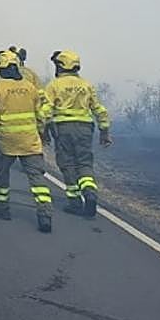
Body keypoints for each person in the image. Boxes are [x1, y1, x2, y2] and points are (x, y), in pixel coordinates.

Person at [0, 50, 53, 233]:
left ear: (1, 66)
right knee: (37, 178)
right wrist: (42, 133)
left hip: (5, 141)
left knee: (1, 175)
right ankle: (45, 215)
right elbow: (41, 115)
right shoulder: (30, 87)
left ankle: (2, 210)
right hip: (30, 141)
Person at [42, 50, 112, 217]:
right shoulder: (86, 85)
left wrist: (42, 131)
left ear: (61, 66)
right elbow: (99, 109)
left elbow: (45, 111)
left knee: (67, 164)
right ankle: (90, 192)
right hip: (85, 129)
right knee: (84, 163)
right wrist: (105, 131)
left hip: (63, 129)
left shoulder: (54, 85)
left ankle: (74, 202)